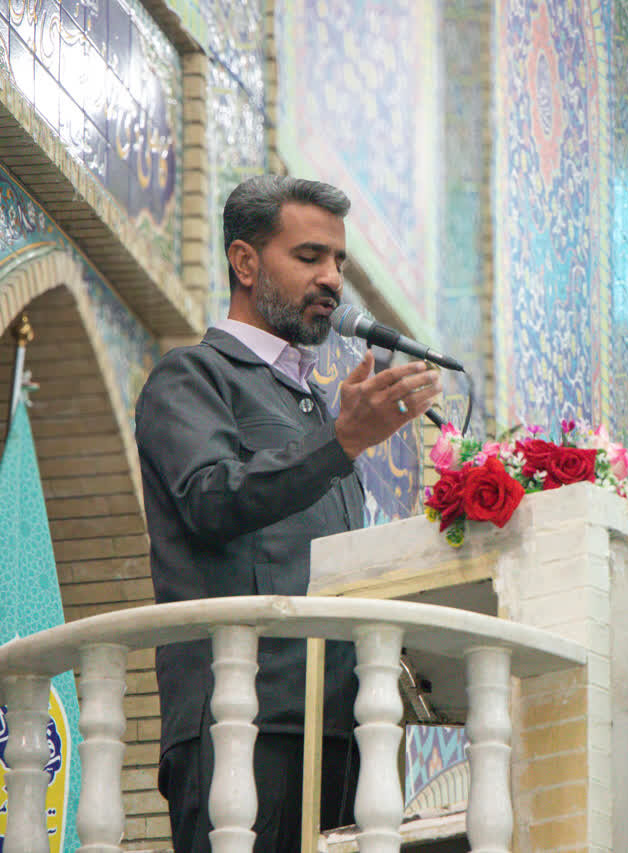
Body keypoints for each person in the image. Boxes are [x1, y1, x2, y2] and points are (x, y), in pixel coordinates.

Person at [134, 175, 441, 852]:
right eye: (309, 257)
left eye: (339, 261)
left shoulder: (316, 409)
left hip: (345, 730)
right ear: (245, 262)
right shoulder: (191, 377)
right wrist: (340, 442)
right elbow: (211, 498)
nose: (331, 278)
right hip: (244, 724)